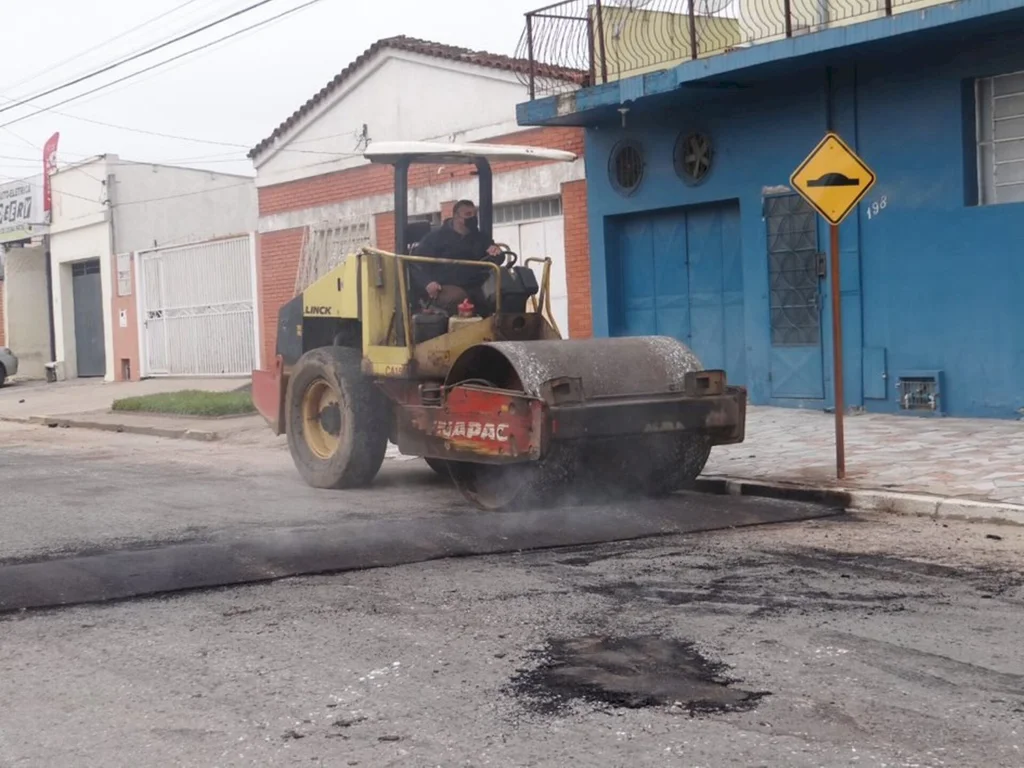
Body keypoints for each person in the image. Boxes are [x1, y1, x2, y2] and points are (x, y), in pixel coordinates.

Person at [410, 200, 505, 315]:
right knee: (459, 297)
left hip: (476, 284)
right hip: (444, 285)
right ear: (456, 216)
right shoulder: (435, 238)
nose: (473, 218)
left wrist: (496, 252)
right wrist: (428, 283)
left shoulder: (481, 238)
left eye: (474, 215)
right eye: (468, 215)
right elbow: (416, 264)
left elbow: (497, 258)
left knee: (504, 292)